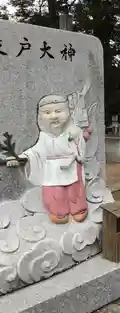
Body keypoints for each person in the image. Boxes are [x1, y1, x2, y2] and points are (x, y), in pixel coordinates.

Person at [7, 94, 92, 225]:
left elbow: (81, 144)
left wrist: (79, 151)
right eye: (47, 112)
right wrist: (21, 159)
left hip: (71, 166)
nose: (54, 116)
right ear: (40, 117)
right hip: (52, 170)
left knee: (75, 190)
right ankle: (58, 211)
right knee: (54, 192)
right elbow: (35, 152)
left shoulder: (72, 131)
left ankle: (78, 209)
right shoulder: (44, 137)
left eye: (58, 111)